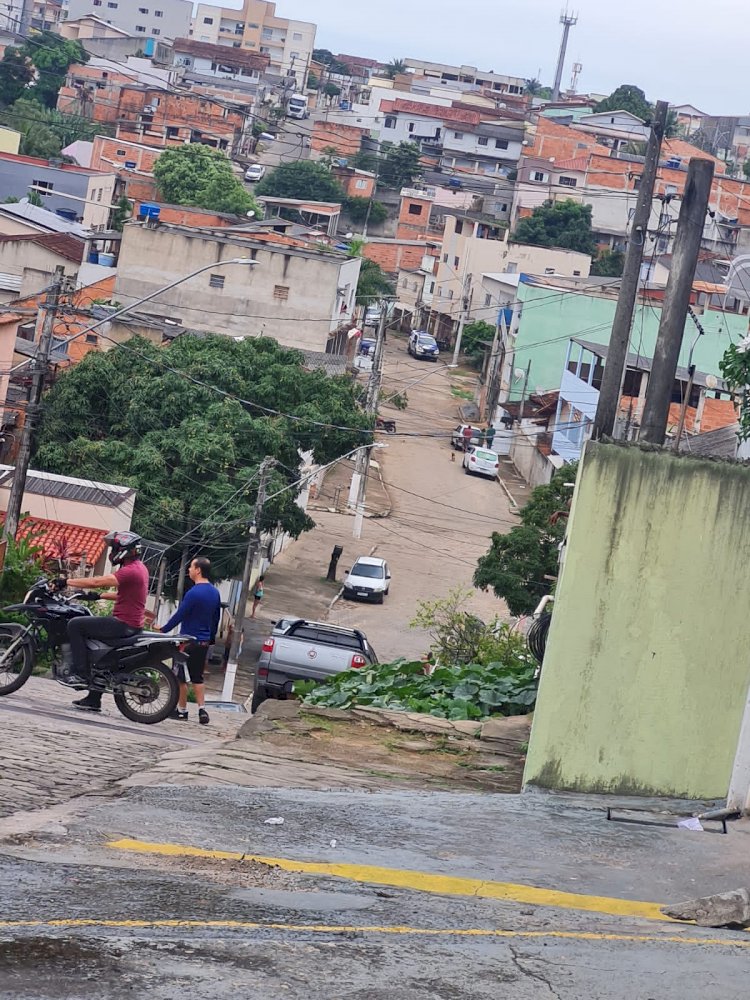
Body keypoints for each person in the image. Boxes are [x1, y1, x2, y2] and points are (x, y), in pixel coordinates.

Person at [65, 530, 149, 714]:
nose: (112, 551)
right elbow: (123, 595)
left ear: (123, 549)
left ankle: (80, 673)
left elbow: (96, 581)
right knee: (102, 658)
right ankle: (93, 700)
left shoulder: (129, 571)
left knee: (75, 624)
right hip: (131, 623)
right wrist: (98, 597)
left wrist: (66, 582)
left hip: (123, 624)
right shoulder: (140, 567)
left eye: (114, 547)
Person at [160, 557, 221, 725]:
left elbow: (181, 615)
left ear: (198, 570)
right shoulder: (215, 593)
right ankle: (202, 709)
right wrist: (211, 638)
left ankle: (182, 711)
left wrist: (163, 629)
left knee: (179, 677)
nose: (189, 570)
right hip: (203, 642)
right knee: (197, 677)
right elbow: (216, 618)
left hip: (186, 641)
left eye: (191, 567)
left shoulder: (193, 593)